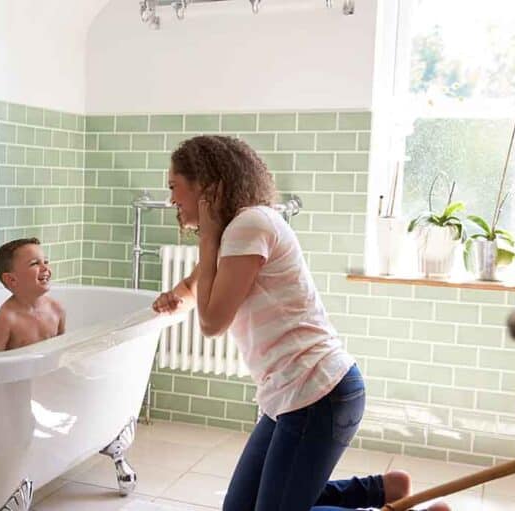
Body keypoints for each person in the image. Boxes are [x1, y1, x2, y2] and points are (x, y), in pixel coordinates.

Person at [152, 135, 449, 511]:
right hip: (294, 396)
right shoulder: (237, 231)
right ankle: (377, 490)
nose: (172, 200)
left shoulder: (247, 226)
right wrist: (170, 300)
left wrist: (207, 239)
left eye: (174, 187)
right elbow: (195, 289)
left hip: (317, 394)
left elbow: (212, 323)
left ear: (207, 187)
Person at [0, 238, 66, 353]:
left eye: (46, 261)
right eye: (34, 263)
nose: (45, 268)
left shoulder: (57, 309)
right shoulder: (8, 318)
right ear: (12, 279)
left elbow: (63, 350)